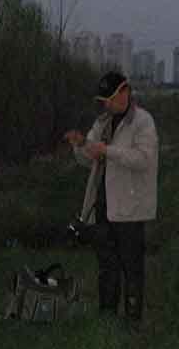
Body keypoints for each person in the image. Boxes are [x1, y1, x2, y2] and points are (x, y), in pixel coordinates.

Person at [64, 71, 159, 324]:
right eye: (104, 100)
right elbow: (89, 160)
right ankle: (107, 317)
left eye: (111, 98)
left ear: (125, 92)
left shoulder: (143, 122)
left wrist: (108, 151)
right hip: (103, 205)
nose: (107, 104)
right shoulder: (102, 122)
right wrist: (80, 145)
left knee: (132, 268)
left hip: (131, 208)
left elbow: (143, 159)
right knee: (107, 265)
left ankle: (133, 321)